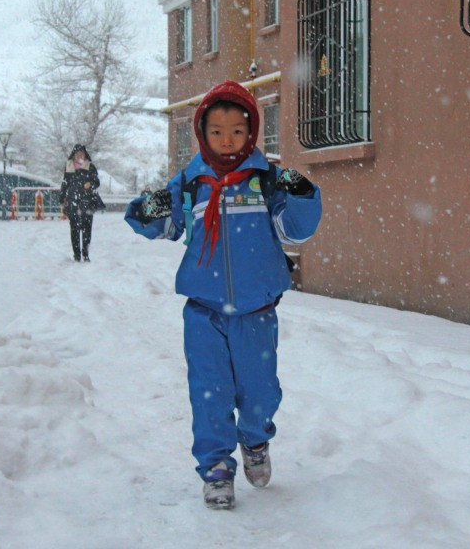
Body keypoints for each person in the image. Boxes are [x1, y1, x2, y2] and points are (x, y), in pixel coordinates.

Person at [125, 80, 322, 509]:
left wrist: (303, 195)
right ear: (203, 134)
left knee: (260, 391)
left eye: (236, 130)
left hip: (256, 310)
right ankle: (216, 467)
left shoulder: (267, 181)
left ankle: (255, 440)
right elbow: (163, 224)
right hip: (204, 311)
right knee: (209, 392)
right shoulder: (190, 184)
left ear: (251, 132)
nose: (227, 139)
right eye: (217, 131)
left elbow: (295, 231)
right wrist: (146, 210)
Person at [59, 144, 103, 262]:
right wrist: (62, 198)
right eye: (77, 154)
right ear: (73, 155)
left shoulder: (90, 167)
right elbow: (65, 183)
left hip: (87, 201)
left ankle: (85, 253)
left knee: (87, 229)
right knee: (74, 229)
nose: (79, 156)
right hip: (73, 202)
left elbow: (97, 182)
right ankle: (77, 254)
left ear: (85, 155)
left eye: (81, 153)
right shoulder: (69, 167)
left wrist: (90, 184)